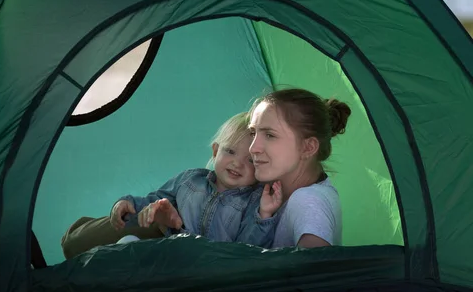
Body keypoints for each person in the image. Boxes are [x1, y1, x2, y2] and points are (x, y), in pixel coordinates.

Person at [109, 112, 282, 244]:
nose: (237, 163)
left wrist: (264, 215)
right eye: (230, 151)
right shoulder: (190, 180)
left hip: (214, 269)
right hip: (173, 252)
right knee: (127, 242)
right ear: (215, 151)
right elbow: (152, 203)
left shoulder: (254, 200)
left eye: (250, 160)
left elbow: (250, 248)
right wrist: (127, 206)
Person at [241, 88, 351, 249]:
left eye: (270, 135)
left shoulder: (308, 200)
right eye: (253, 133)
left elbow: (315, 271)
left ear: (308, 148)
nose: (253, 148)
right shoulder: (272, 192)